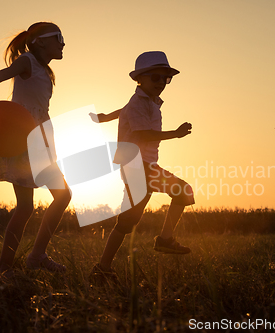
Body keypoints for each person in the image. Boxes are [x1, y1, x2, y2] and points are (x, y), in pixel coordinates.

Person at [0, 22, 71, 280]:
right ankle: (8, 266)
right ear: (39, 41)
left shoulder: (45, 71)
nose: (63, 42)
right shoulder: (27, 61)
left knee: (55, 198)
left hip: (38, 140)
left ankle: (30, 258)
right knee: (35, 204)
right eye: (58, 37)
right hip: (21, 139)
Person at [90, 51, 195, 281]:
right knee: (184, 191)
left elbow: (125, 111)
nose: (161, 83)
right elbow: (142, 133)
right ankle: (165, 240)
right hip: (139, 167)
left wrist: (108, 117)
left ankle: (102, 269)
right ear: (140, 78)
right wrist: (175, 134)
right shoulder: (140, 103)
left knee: (128, 220)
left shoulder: (144, 102)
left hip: (138, 166)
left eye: (166, 79)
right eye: (156, 77)